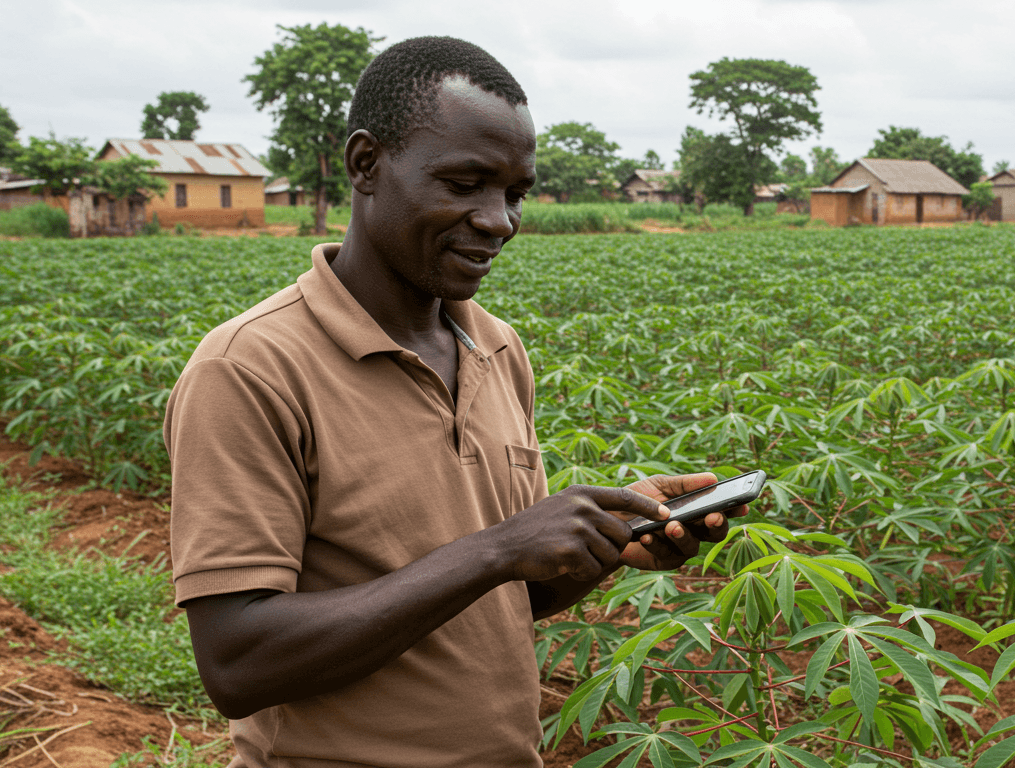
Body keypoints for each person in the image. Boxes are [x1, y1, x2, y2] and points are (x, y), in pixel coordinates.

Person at [164, 36, 745, 767]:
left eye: (515, 194)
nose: (498, 219)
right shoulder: (249, 369)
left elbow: (498, 599)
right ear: (366, 164)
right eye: (465, 183)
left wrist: (598, 547)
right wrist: (498, 548)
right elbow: (238, 663)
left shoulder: (496, 347)